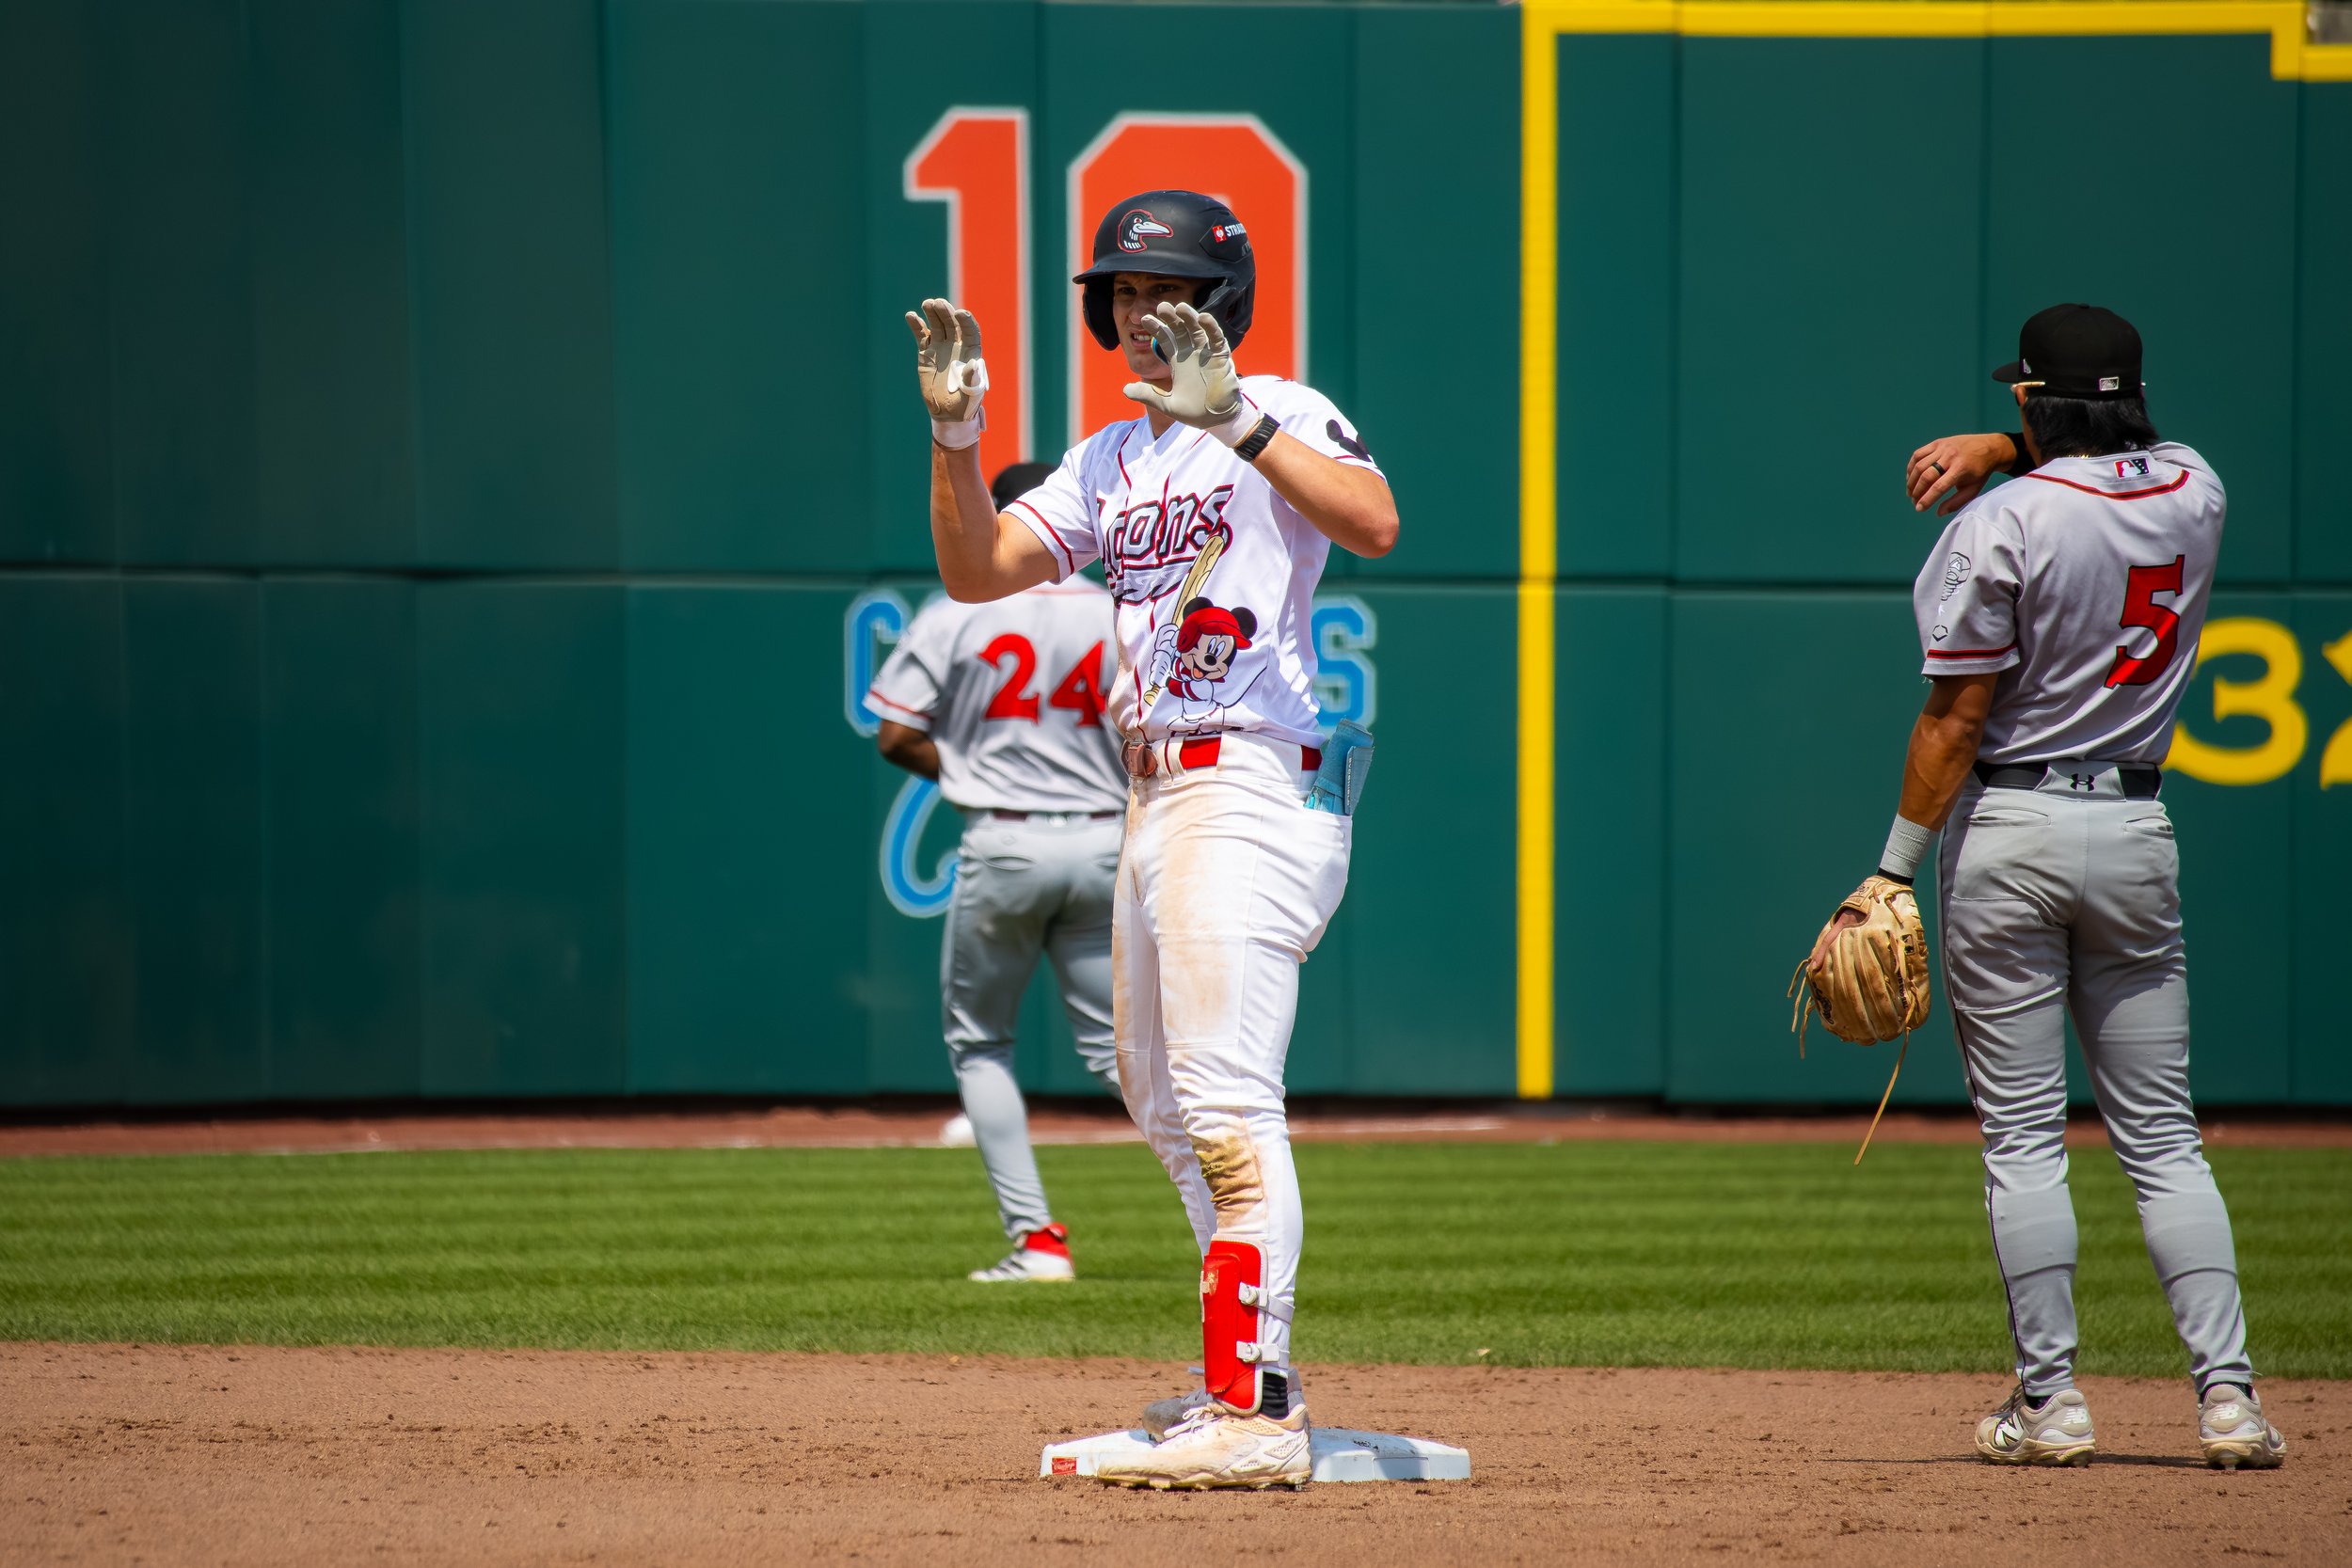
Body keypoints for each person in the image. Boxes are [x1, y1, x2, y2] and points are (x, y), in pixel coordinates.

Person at [903, 188, 1397, 1489]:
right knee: (1167, 1102)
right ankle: (1243, 1373)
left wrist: (1237, 420)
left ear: (1221, 303)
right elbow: (978, 570)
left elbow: (1373, 522)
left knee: (1227, 1101)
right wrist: (956, 438)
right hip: (1152, 794)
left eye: (1161, 290)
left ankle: (1256, 1406)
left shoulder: (1280, 406)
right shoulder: (1109, 458)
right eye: (1120, 292)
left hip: (1248, 780)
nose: (1136, 311)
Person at [1820, 304, 2285, 1469]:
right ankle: (2229, 1399)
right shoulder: (2198, 488)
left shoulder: (2003, 519)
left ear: (2034, 402)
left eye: (2020, 397)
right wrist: (2010, 438)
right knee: (2164, 1139)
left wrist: (1887, 870)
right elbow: (2120, 452)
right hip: (2134, 825)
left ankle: (2051, 1402)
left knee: (2025, 1139)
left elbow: (1954, 717)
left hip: (2012, 828)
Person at [867, 460, 1126, 1284]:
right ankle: (1235, 1216)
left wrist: (971, 769)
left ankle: (1038, 1243)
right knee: (1121, 1055)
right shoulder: (1118, 611)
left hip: (1004, 839)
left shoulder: (957, 610)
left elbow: (895, 733)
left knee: (981, 1046)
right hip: (1105, 841)